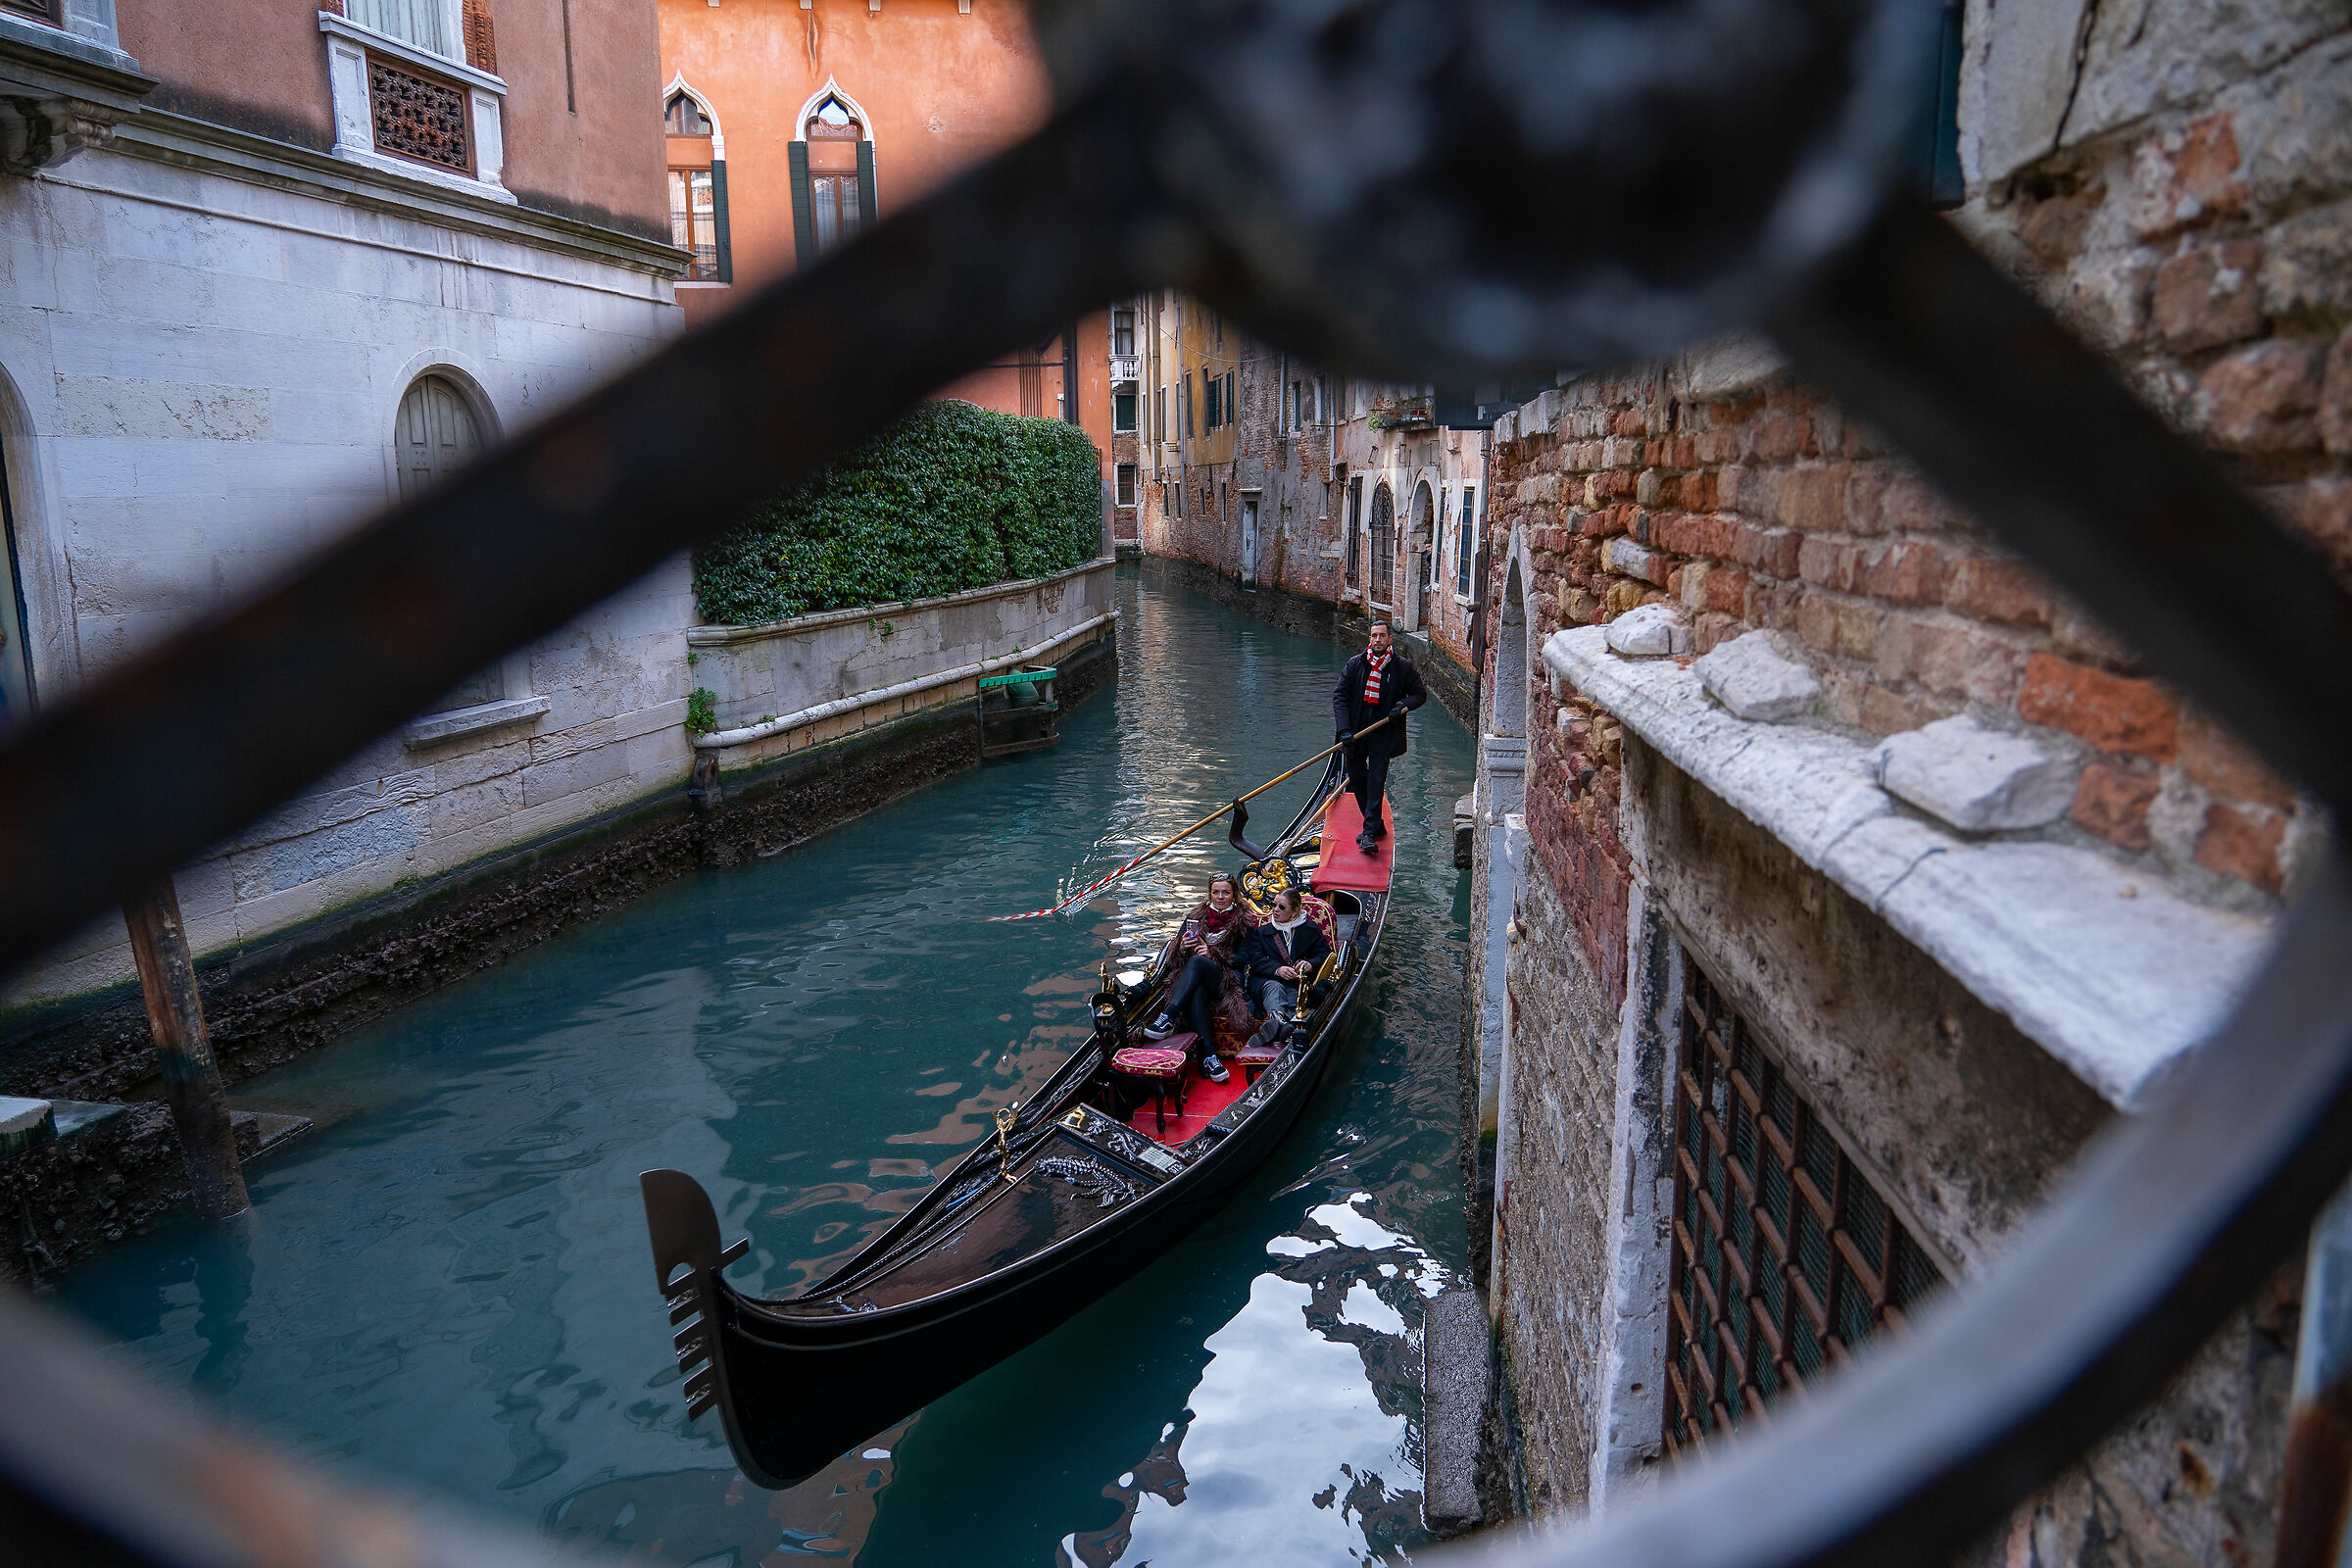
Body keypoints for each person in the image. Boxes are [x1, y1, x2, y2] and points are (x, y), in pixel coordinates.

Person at [1139, 873, 1256, 1082]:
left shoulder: (1244, 921)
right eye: (1216, 892)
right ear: (1210, 893)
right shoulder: (1195, 916)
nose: (1220, 897)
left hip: (1225, 981)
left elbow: (1244, 957)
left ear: (1234, 894)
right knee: (1197, 989)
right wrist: (1182, 947)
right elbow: (1175, 954)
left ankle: (1167, 1016)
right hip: (1196, 981)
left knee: (1198, 962)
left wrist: (1212, 953)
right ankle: (1210, 1056)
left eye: (1226, 892)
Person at [1331, 620, 1427, 854]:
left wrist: (1402, 705)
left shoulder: (1402, 667)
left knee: (1376, 781)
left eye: (1382, 636)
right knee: (1356, 779)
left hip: (1383, 733)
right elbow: (1340, 697)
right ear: (1369, 638)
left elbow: (1419, 694)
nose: (1377, 640)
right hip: (1355, 733)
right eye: (1374, 636)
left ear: (1389, 639)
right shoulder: (1355, 664)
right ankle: (1376, 825)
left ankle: (1368, 833)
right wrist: (1344, 730)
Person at [1237, 887, 1333, 1051]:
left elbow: (1325, 954)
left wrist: (1310, 964)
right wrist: (1277, 969)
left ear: (1295, 911)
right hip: (1266, 981)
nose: (1275, 910)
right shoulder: (1261, 932)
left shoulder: (1310, 930)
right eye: (1274, 905)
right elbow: (1255, 959)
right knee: (1275, 988)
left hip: (1297, 983)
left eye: (1281, 907)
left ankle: (1276, 1025)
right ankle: (1281, 1023)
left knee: (1293, 994)